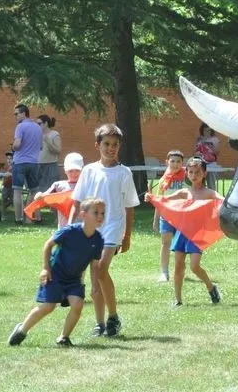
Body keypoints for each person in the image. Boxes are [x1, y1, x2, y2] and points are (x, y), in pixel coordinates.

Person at [68, 124, 140, 337]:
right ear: (97, 145)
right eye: (106, 144)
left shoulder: (124, 172)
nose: (111, 148)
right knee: (94, 276)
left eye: (115, 145)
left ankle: (113, 316)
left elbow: (129, 207)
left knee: (101, 269)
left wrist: (127, 236)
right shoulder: (89, 170)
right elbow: (77, 202)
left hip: (113, 227)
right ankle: (100, 323)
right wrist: (70, 229)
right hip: (92, 228)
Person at [8, 198, 106, 347]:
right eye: (96, 213)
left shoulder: (98, 240)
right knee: (49, 306)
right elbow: (48, 245)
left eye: (103, 213)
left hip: (74, 279)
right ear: (83, 214)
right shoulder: (70, 231)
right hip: (55, 274)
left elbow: (94, 264)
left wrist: (95, 286)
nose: (100, 216)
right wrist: (46, 268)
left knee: (78, 304)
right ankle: (21, 330)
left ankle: (63, 338)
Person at [146, 157, 221, 307]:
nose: (194, 175)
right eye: (191, 172)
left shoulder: (208, 192)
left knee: (194, 266)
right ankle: (178, 300)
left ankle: (211, 287)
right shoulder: (185, 192)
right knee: (179, 265)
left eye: (197, 172)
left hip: (198, 235)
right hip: (182, 233)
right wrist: (152, 197)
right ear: (187, 173)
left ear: (204, 173)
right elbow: (165, 199)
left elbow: (222, 200)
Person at [152, 150, 185, 283]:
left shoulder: (187, 177)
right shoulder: (163, 180)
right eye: (172, 161)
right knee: (165, 243)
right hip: (166, 216)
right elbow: (159, 201)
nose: (175, 164)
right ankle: (164, 273)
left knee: (180, 247)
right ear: (167, 162)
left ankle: (180, 270)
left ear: (183, 163)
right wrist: (155, 220)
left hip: (182, 217)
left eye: (178, 162)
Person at [34, 152, 84, 228]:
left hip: (82, 227)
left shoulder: (85, 185)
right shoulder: (58, 186)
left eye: (77, 170)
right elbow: (44, 196)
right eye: (70, 171)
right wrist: (39, 195)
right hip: (63, 226)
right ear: (65, 170)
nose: (74, 173)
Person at [12, 104, 43, 224]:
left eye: (16, 114)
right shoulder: (37, 127)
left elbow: (17, 145)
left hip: (20, 162)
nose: (15, 116)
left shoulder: (20, 127)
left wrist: (13, 146)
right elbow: (41, 146)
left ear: (24, 113)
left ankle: (18, 219)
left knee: (17, 191)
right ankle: (33, 217)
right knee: (34, 191)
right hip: (34, 162)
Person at [33, 114, 62, 223]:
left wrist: (47, 141)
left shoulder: (54, 134)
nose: (38, 126)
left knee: (53, 193)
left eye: (39, 123)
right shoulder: (37, 135)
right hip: (38, 166)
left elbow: (58, 150)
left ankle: (57, 217)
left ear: (46, 123)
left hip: (50, 165)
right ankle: (37, 218)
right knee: (37, 191)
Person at [196, 123, 220, 189]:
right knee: (200, 181)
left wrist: (210, 147)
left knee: (211, 183)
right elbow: (195, 151)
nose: (208, 132)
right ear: (202, 130)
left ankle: (212, 196)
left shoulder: (215, 139)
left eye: (209, 130)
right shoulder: (199, 139)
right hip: (201, 163)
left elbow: (217, 153)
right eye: (206, 130)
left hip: (211, 163)